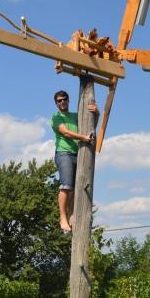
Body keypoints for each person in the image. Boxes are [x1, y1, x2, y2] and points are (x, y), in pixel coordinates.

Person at [51, 90, 99, 232]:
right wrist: (83, 138)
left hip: (77, 153)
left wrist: (97, 113)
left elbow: (90, 127)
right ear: (56, 103)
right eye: (59, 101)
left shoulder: (75, 116)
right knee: (66, 185)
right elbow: (65, 132)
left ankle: (72, 213)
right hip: (63, 153)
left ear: (68, 100)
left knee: (75, 188)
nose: (62, 102)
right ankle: (63, 218)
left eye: (64, 99)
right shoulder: (56, 117)